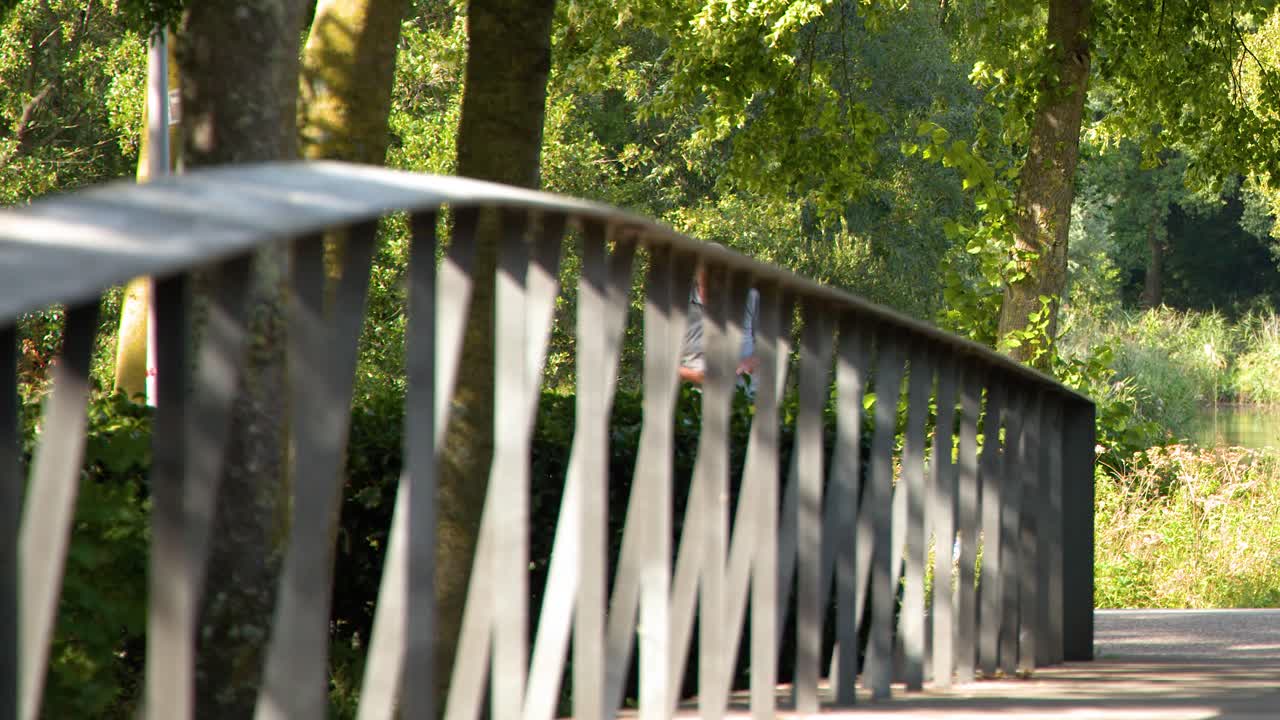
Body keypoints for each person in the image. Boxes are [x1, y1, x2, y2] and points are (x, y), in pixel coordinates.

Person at [678, 260, 759, 387]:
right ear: (698, 277)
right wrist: (695, 376)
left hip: (743, 399)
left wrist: (749, 363)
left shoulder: (750, 298)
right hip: (695, 401)